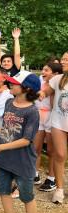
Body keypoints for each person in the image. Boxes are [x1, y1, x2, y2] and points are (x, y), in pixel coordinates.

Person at [0, 70, 40, 213]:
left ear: (27, 89)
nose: (9, 85)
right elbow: (7, 125)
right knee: (3, 190)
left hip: (22, 162)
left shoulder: (32, 112)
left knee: (27, 196)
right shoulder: (9, 102)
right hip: (6, 160)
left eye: (14, 84)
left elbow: (26, 140)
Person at [39, 51, 68, 204]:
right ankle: (59, 189)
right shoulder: (58, 79)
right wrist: (42, 94)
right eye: (62, 59)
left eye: (66, 59)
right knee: (60, 154)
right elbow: (46, 91)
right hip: (58, 122)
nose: (62, 61)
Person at [34, 62, 62, 191]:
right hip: (39, 116)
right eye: (43, 69)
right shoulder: (39, 81)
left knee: (51, 150)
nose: (42, 72)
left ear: (55, 74)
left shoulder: (59, 85)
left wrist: (51, 91)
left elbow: (53, 104)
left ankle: (51, 179)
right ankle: (35, 174)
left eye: (46, 70)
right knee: (36, 147)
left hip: (52, 117)